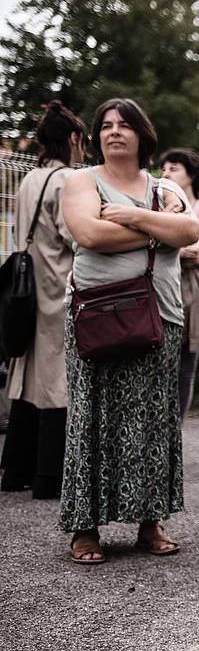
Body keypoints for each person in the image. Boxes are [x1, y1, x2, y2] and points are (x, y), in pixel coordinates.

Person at [59, 98, 199, 564]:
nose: (114, 132)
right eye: (105, 125)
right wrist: (160, 229)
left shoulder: (162, 187)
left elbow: (190, 233)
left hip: (159, 312)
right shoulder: (81, 180)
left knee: (155, 423)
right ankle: (84, 528)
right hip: (97, 311)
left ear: (142, 134)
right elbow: (91, 235)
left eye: (124, 125)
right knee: (90, 417)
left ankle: (149, 521)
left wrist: (131, 216)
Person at [0, 102, 85, 498]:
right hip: (57, 287)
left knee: (28, 376)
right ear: (72, 140)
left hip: (27, 286)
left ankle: (16, 469)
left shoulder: (30, 179)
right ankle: (50, 477)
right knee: (57, 382)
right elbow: (76, 235)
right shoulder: (67, 179)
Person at [159, 149, 199, 420]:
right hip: (161, 291)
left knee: (185, 365)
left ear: (191, 175)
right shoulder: (158, 209)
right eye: (164, 169)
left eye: (173, 169)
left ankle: (177, 429)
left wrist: (164, 243)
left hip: (194, 293)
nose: (165, 174)